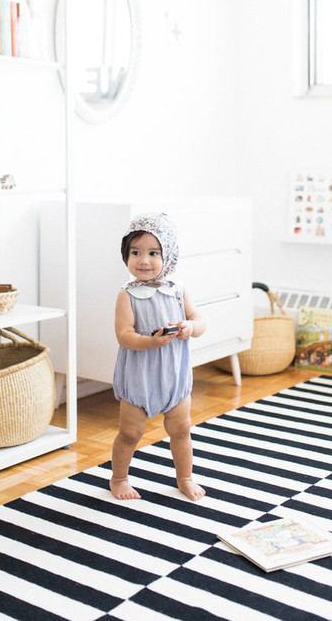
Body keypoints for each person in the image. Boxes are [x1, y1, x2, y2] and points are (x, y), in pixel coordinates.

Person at [110, 212, 206, 502]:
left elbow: (199, 321)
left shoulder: (178, 291)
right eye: (135, 252)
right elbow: (124, 335)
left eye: (154, 253)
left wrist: (190, 327)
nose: (144, 260)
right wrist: (151, 341)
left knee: (182, 429)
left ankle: (185, 477)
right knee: (130, 433)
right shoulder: (126, 295)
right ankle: (119, 478)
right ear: (126, 255)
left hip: (174, 376)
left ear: (170, 255)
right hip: (139, 378)